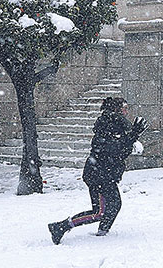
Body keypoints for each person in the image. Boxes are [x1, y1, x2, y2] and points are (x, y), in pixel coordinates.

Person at [48, 97, 148, 244]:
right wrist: (133, 135)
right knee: (99, 212)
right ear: (116, 109)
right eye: (124, 108)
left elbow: (121, 151)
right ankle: (60, 227)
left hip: (105, 174)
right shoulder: (108, 124)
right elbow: (115, 150)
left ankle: (102, 232)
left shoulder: (117, 125)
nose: (127, 111)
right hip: (99, 175)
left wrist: (133, 136)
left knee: (114, 205)